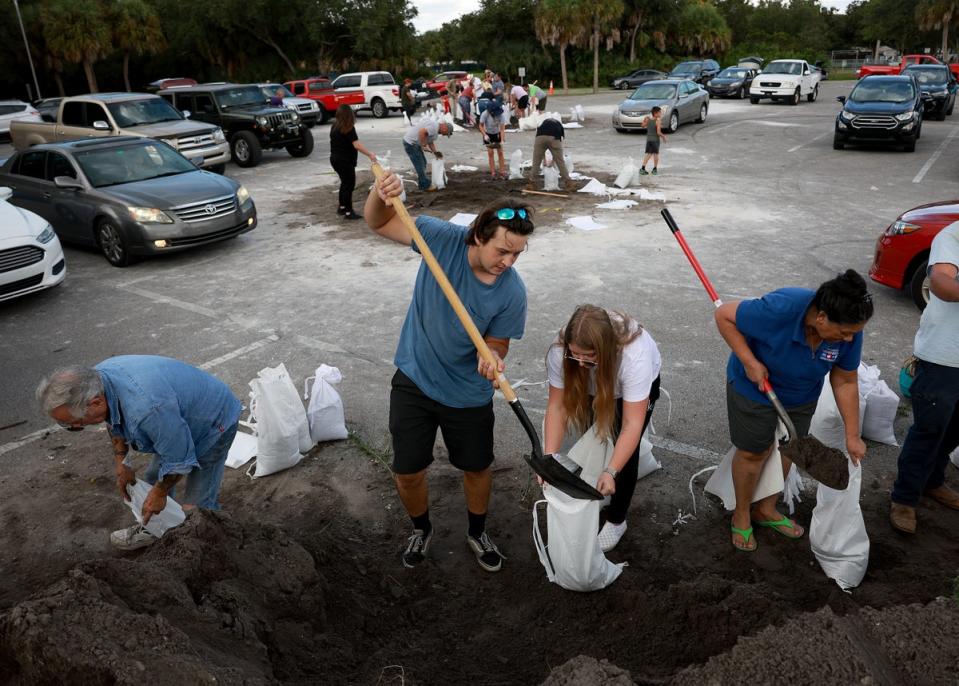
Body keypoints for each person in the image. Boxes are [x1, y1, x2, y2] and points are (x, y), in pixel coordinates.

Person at [363, 173, 535, 572]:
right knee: (407, 471)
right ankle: (421, 529)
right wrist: (378, 193)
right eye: (503, 250)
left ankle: (477, 532)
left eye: (518, 254)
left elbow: (501, 339)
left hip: (468, 393)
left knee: (477, 467)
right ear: (478, 235)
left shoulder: (512, 291)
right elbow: (377, 222)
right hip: (415, 378)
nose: (508, 262)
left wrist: (492, 352)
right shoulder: (440, 239)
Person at [714, 271, 873, 552]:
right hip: (754, 388)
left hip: (802, 394)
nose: (850, 339)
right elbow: (724, 315)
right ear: (821, 318)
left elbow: (845, 380)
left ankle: (766, 508)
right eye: (845, 332)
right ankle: (741, 514)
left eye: (854, 333)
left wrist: (852, 434)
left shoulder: (850, 333)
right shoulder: (781, 308)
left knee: (791, 448)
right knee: (754, 451)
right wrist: (749, 361)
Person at [35, 356, 242, 551]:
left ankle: (207, 542)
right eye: (69, 426)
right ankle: (158, 527)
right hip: (175, 417)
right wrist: (122, 462)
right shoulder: (96, 381)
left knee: (196, 502)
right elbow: (112, 419)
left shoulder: (147, 409)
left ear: (96, 402)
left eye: (77, 422)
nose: (78, 426)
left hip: (214, 421)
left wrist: (160, 494)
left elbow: (178, 460)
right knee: (153, 478)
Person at [544, 306, 662, 551]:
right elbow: (557, 407)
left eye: (589, 356)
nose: (581, 362)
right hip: (597, 382)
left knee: (624, 447)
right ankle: (601, 489)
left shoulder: (634, 357)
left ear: (606, 350)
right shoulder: (559, 352)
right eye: (575, 354)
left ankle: (618, 519)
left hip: (631, 385)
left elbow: (632, 424)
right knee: (594, 433)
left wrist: (611, 470)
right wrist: (549, 459)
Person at [890, 221, 959, 533]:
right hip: (944, 356)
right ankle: (904, 498)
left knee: (955, 428)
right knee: (929, 428)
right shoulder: (952, 235)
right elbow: (942, 284)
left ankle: (933, 481)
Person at [330, 105, 377, 220]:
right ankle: (348, 211)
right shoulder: (348, 127)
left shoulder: (334, 126)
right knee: (349, 185)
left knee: (344, 183)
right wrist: (370, 154)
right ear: (349, 115)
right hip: (344, 161)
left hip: (335, 159)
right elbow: (357, 145)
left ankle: (342, 208)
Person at [526, 116, 575, 192]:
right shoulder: (559, 126)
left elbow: (541, 150)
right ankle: (568, 183)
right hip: (554, 138)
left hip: (540, 139)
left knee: (536, 162)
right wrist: (553, 161)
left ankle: (531, 183)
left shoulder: (542, 125)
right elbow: (558, 147)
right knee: (560, 162)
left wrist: (544, 160)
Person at [402, 119, 452, 192]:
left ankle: (422, 182)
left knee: (423, 163)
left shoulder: (435, 130)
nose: (444, 135)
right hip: (410, 143)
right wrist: (423, 145)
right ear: (445, 128)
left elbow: (430, 142)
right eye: (446, 133)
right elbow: (422, 132)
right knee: (420, 164)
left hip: (414, 143)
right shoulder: (434, 127)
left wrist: (435, 153)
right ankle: (424, 185)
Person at [479, 100, 509, 179]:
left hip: (497, 133)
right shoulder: (485, 114)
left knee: (500, 153)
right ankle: (493, 172)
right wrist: (484, 135)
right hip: (488, 134)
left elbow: (502, 129)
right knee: (490, 153)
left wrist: (502, 140)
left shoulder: (501, 115)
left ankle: (502, 171)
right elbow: (480, 126)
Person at [640, 106, 666, 176]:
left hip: (649, 140)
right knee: (656, 154)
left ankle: (642, 168)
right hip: (655, 140)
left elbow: (642, 125)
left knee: (648, 154)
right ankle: (655, 169)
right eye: (659, 112)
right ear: (655, 113)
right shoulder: (658, 120)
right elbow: (658, 132)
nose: (661, 113)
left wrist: (644, 120)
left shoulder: (649, 120)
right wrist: (663, 136)